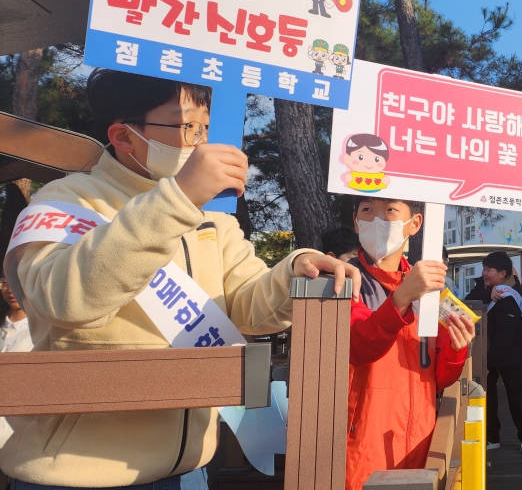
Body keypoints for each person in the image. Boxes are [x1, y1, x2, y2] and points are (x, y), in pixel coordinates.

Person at [0, 69, 359, 490]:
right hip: (76, 474)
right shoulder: (66, 200)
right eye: (188, 127)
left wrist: (294, 270)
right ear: (124, 136)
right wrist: (179, 198)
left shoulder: (212, 218)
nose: (202, 143)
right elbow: (63, 300)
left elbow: (250, 310)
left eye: (206, 127)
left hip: (191, 470)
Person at [345, 196, 476, 490]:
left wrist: (457, 349)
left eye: (390, 210)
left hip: (421, 439)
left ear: (414, 223)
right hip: (365, 440)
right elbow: (360, 344)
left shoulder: (429, 289)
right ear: (355, 221)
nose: (378, 219)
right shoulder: (345, 280)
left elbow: (439, 376)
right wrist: (402, 297)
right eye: (367, 210)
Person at [477, 251, 522, 455]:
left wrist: (488, 362)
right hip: (489, 355)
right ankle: (491, 437)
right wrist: (487, 294)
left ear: (503, 273)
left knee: (517, 396)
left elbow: (506, 334)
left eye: (489, 270)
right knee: (488, 397)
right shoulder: (488, 290)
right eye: (484, 269)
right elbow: (467, 301)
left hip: (508, 356)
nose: (484, 273)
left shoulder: (511, 296)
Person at [0, 275, 32, 450]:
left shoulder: (41, 331)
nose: (10, 289)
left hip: (17, 434)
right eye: (5, 282)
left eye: (17, 281)